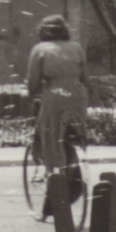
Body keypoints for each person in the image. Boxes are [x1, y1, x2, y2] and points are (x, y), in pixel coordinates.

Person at [26, 14, 88, 217]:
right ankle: (75, 162)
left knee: (50, 137)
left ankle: (55, 177)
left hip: (55, 95)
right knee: (74, 132)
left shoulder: (40, 49)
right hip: (77, 95)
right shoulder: (76, 48)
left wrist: (31, 96)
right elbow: (85, 77)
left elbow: (33, 82)